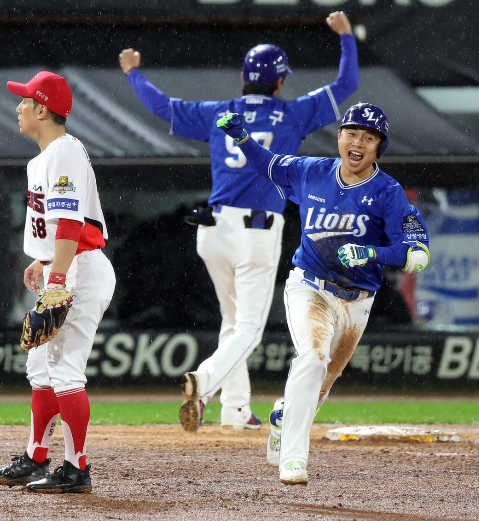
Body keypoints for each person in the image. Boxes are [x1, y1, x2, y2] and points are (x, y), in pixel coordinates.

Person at [118, 11, 358, 431]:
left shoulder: (219, 112)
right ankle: (206, 382)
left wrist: (134, 74)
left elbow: (163, 107)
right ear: (279, 82)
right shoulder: (294, 113)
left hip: (213, 231)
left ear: (243, 77)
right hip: (256, 235)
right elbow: (346, 86)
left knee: (233, 322)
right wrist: (346, 37)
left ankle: (236, 410)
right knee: (249, 327)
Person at [217, 102, 431, 485]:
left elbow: (418, 255)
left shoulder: (388, 192)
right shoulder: (312, 171)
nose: (358, 142)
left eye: (368, 137)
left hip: (358, 301)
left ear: (378, 147)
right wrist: (242, 138)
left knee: (323, 383)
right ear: (339, 137)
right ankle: (293, 459)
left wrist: (373, 253)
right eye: (351, 133)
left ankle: (284, 417)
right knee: (312, 358)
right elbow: (267, 165)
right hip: (309, 287)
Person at [0, 72, 115, 493]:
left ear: (43, 109)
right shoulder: (47, 156)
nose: (18, 107)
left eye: (25, 101)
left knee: (65, 371)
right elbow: (55, 226)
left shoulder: (62, 153)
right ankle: (35, 456)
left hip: (80, 269)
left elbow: (70, 222)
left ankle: (76, 467)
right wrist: (42, 261)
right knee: (40, 370)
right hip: (64, 264)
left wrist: (59, 279)